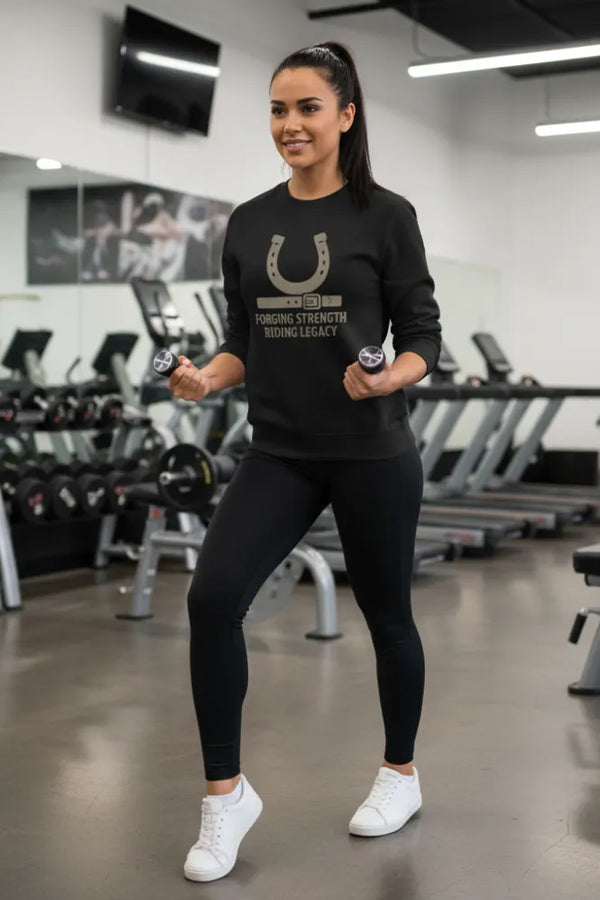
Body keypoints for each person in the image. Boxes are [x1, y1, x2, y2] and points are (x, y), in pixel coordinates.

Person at [166, 41, 441, 883]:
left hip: (371, 450)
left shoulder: (385, 215)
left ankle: (400, 775)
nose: (290, 125)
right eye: (279, 110)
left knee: (387, 618)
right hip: (279, 451)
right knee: (212, 600)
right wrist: (206, 375)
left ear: (346, 115)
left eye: (307, 108)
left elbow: (424, 338)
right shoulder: (249, 221)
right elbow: (242, 340)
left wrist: (387, 378)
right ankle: (226, 798)